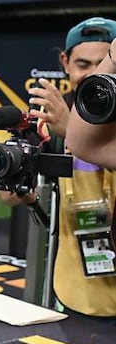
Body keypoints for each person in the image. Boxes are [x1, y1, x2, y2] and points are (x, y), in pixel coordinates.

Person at [37, 18, 116, 319]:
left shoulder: (65, 118)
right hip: (74, 289)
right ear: (65, 62)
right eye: (84, 65)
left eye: (106, 64)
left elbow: (90, 146)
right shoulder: (52, 111)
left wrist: (72, 129)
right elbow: (15, 195)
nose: (95, 76)